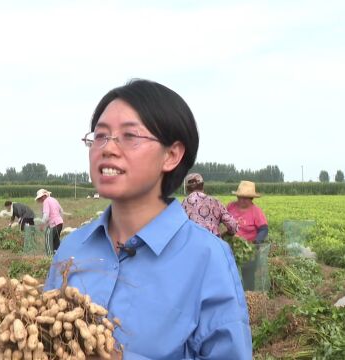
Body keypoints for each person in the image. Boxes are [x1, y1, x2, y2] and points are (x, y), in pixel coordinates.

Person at [44, 79, 251, 359]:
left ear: (171, 155)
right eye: (100, 135)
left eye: (129, 136)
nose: (107, 148)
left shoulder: (207, 258)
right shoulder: (72, 248)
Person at [227, 180, 269, 291]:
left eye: (245, 198)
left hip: (249, 250)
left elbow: (264, 229)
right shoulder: (231, 207)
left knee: (248, 278)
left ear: (251, 199)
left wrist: (256, 241)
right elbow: (223, 221)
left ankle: (248, 299)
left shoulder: (256, 211)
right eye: (240, 197)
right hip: (231, 248)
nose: (241, 200)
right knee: (231, 276)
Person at [181, 173, 238, 237]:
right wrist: (227, 234)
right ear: (202, 185)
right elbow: (233, 225)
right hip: (213, 243)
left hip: (193, 243)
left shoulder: (183, 205)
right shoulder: (216, 202)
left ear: (187, 188)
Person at [35, 189, 64, 255]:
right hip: (60, 224)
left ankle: (49, 260)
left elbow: (46, 215)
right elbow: (61, 211)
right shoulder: (54, 199)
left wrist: (42, 225)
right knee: (56, 242)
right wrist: (60, 220)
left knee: (48, 243)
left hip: (53, 225)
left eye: (40, 198)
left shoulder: (46, 201)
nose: (40, 200)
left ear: (43, 196)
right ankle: (58, 257)